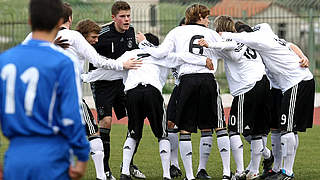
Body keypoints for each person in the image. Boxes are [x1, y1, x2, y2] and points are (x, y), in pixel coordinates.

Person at [136, 4, 232, 180]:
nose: (209, 20)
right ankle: (221, 172)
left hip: (187, 81)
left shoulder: (176, 32)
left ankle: (189, 176)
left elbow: (160, 53)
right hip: (207, 80)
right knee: (212, 126)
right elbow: (226, 49)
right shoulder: (211, 34)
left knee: (185, 129)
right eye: (206, 17)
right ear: (200, 17)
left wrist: (143, 43)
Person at [0, 0, 90, 179]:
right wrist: (81, 156)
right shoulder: (64, 62)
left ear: (29, 21)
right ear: (59, 21)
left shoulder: (5, 60)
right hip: (51, 158)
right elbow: (71, 116)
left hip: (15, 158)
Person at [221, 22, 315, 180]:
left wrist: (223, 34)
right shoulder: (266, 41)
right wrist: (301, 55)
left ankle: (287, 172)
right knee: (278, 129)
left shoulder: (260, 40)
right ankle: (277, 168)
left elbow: (242, 37)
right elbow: (290, 45)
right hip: (280, 87)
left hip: (296, 81)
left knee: (288, 129)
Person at [198, 15, 273, 180]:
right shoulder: (242, 39)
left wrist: (209, 43)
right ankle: (254, 170)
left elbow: (229, 47)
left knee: (233, 130)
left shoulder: (231, 41)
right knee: (257, 132)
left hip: (248, 87)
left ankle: (239, 171)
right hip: (263, 84)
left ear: (220, 30)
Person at [89, 1, 145, 179]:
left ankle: (128, 163)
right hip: (103, 84)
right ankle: (105, 169)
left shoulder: (131, 32)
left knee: (137, 118)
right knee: (106, 122)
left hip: (122, 84)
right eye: (122, 16)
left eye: (128, 15)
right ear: (113, 18)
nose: (126, 19)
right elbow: (91, 58)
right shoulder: (102, 34)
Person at [75, 18, 106, 180]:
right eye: (93, 37)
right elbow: (99, 61)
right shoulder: (78, 44)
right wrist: (122, 65)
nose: (96, 40)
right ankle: (101, 176)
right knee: (94, 133)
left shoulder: (59, 42)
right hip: (73, 98)